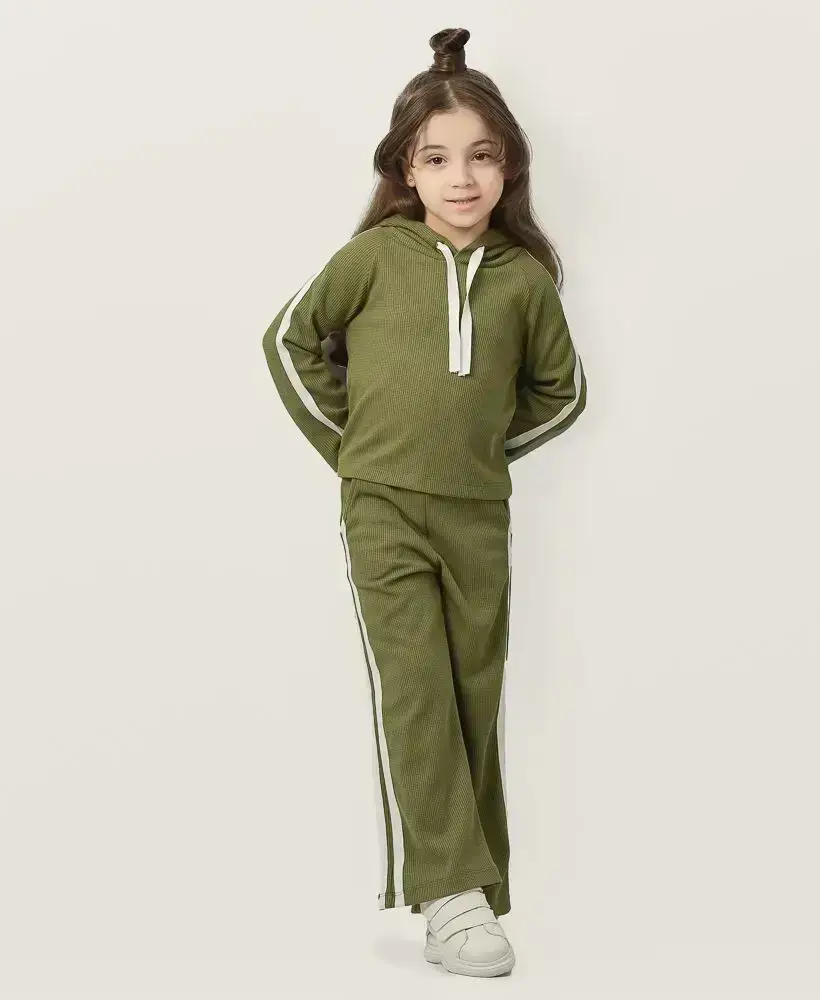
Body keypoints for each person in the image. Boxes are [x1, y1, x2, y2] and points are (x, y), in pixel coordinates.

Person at [261, 26, 587, 978]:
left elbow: (561, 393)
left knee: (470, 694)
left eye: (481, 156)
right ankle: (448, 898)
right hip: (383, 511)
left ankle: (474, 892)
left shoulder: (525, 281)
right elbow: (287, 341)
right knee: (414, 692)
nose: (461, 177)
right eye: (437, 158)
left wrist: (479, 456)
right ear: (406, 168)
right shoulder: (371, 257)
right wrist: (354, 453)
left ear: (507, 165)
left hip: (478, 515)